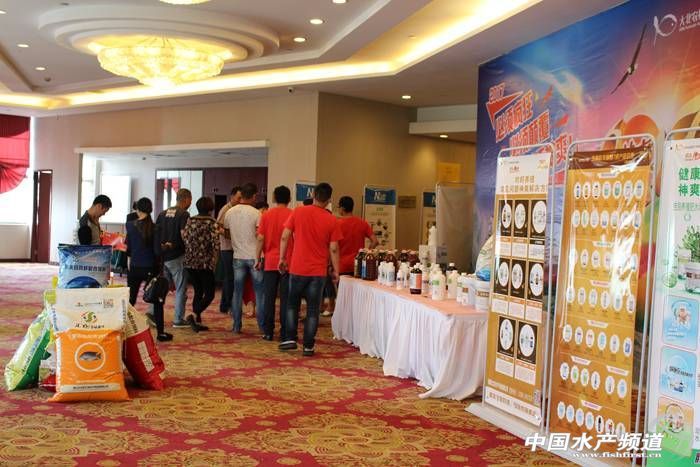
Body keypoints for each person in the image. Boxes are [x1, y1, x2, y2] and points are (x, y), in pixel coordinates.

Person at [278, 182, 342, 356]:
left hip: (297, 267)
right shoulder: (332, 220)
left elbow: (285, 236)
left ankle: (290, 338)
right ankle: (308, 346)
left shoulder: (298, 212)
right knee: (313, 310)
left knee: (292, 305)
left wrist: (282, 258)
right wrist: (336, 271)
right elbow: (334, 248)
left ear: (313, 195)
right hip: (318, 272)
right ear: (329, 200)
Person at [125, 197, 172, 341]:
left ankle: (123, 331)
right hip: (150, 268)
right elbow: (157, 251)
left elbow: (129, 248)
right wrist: (166, 247)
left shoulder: (130, 226)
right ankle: (161, 333)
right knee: (157, 300)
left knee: (130, 300)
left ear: (137, 209)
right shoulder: (155, 228)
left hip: (134, 267)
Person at [224, 183, 265, 334]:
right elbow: (259, 235)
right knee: (259, 293)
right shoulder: (257, 213)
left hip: (238, 256)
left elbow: (227, 234)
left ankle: (236, 326)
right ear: (254, 196)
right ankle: (262, 327)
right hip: (254, 257)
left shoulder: (230, 212)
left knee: (237, 293)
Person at [256, 185, 293, 341]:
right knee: (286, 300)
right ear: (290, 199)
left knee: (269, 298)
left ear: (273, 198)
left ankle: (268, 331)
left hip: (270, 261)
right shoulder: (293, 214)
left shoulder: (266, 215)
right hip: (288, 261)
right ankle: (285, 333)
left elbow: (260, 238)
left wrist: (257, 258)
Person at [155, 188, 192, 328]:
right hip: (177, 256)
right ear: (186, 199)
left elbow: (156, 233)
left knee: (161, 288)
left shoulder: (162, 213)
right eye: (190, 200)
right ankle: (178, 319)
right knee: (181, 288)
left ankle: (153, 314)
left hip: (163, 256)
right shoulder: (184, 214)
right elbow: (184, 234)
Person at [182, 196, 219, 332]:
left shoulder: (190, 220)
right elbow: (216, 244)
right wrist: (215, 261)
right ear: (210, 208)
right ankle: (193, 313)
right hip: (205, 263)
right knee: (209, 294)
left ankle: (197, 320)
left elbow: (185, 238)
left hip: (190, 261)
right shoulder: (211, 222)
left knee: (198, 290)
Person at [216, 186, 241, 314]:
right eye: (238, 198)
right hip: (227, 248)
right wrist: (231, 235)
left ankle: (225, 305)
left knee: (229, 278)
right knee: (230, 278)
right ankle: (228, 305)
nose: (240, 200)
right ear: (232, 197)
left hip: (234, 248)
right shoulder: (226, 209)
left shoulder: (237, 210)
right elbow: (217, 227)